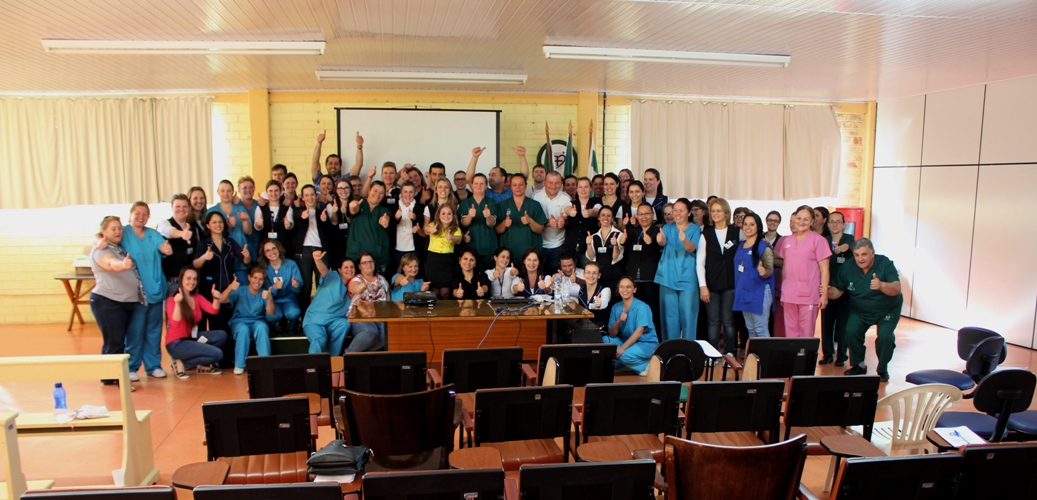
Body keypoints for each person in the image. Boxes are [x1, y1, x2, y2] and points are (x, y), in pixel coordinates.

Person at [826, 238, 902, 382]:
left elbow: (897, 288)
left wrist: (881, 286)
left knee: (885, 337)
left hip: (887, 309)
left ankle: (882, 369)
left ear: (872, 253)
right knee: (851, 332)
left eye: (864, 254)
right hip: (860, 309)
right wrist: (827, 292)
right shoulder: (847, 268)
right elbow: (838, 292)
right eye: (856, 255)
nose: (860, 259)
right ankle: (859, 365)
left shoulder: (884, 263)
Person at [89, 216, 145, 385]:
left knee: (115, 342)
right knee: (115, 343)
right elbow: (110, 263)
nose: (118, 231)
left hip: (123, 303)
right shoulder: (101, 249)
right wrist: (122, 264)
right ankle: (119, 382)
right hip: (108, 302)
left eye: (119, 228)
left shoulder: (117, 248)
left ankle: (108, 377)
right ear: (104, 232)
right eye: (113, 228)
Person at [121, 202, 173, 381]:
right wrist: (99, 241)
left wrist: (166, 248)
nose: (141, 217)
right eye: (137, 213)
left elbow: (164, 247)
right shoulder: (124, 233)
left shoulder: (152, 234)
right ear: (130, 214)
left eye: (145, 214)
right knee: (135, 331)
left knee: (153, 331)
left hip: (156, 291)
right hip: (136, 294)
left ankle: (153, 366)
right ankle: (131, 366)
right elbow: (101, 235)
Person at [776, 205, 832, 338]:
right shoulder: (787, 241)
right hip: (789, 294)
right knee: (790, 333)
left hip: (809, 295)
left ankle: (806, 359)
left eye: (806, 219)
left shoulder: (819, 241)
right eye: (799, 218)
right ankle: (793, 359)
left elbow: (825, 269)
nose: (801, 222)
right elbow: (786, 267)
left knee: (806, 334)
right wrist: (784, 290)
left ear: (812, 221)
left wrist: (824, 294)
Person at [165, 267, 226, 379]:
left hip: (190, 338)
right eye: (188, 278)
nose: (192, 282)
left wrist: (216, 299)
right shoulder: (172, 299)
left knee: (221, 335)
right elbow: (175, 322)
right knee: (217, 354)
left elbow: (213, 310)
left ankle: (202, 366)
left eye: (194, 279)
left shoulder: (197, 297)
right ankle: (181, 364)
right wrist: (178, 304)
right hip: (176, 343)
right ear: (181, 279)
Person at [697, 198, 740, 354]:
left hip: (731, 284)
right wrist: (703, 286)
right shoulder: (706, 234)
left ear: (726, 213)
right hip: (711, 285)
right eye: (713, 211)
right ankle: (712, 353)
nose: (715, 213)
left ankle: (730, 352)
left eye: (718, 210)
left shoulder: (736, 231)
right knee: (713, 321)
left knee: (729, 320)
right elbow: (700, 263)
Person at [654, 199, 701, 341]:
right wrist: (660, 239)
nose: (677, 213)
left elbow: (692, 248)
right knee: (669, 318)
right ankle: (670, 352)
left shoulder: (695, 229)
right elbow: (662, 242)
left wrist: (684, 239)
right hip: (667, 278)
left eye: (681, 210)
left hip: (687, 279)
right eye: (675, 210)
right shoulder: (667, 228)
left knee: (688, 317)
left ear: (688, 212)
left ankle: (688, 351)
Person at [220, 267, 276, 374]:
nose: (257, 282)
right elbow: (222, 300)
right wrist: (230, 287)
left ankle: (265, 363)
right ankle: (239, 365)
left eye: (260, 279)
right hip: (239, 321)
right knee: (243, 330)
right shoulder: (241, 290)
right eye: (255, 278)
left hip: (257, 321)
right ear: (249, 278)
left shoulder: (264, 293)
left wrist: (270, 299)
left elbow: (271, 313)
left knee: (262, 327)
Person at [820, 211, 856, 366]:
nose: (834, 225)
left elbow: (849, 246)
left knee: (843, 327)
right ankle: (827, 354)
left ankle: (841, 356)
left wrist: (841, 248)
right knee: (826, 325)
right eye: (832, 222)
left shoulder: (849, 239)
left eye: (838, 222)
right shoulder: (823, 241)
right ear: (827, 224)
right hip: (826, 290)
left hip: (844, 292)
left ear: (843, 224)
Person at [732, 213, 775, 339]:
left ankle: (765, 359)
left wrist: (764, 271)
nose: (748, 227)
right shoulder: (740, 245)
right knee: (750, 329)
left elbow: (769, 270)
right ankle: (753, 359)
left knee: (761, 329)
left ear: (758, 227)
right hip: (743, 292)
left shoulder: (763, 247)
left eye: (752, 224)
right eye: (745, 224)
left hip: (759, 293)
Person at [622, 204, 663, 335]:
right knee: (633, 311)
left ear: (652, 215)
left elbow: (661, 247)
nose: (644, 217)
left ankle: (653, 340)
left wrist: (652, 243)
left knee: (652, 311)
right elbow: (625, 251)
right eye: (641, 214)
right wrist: (622, 241)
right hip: (633, 278)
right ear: (637, 215)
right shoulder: (632, 231)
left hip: (650, 278)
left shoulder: (657, 231)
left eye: (647, 214)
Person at [605, 277, 659, 376]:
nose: (625, 290)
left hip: (645, 343)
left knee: (621, 355)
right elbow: (612, 334)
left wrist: (622, 348)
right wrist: (618, 321)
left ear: (634, 289)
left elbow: (639, 331)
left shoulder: (642, 307)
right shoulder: (616, 307)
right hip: (626, 340)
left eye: (628, 287)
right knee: (605, 342)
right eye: (622, 287)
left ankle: (646, 366)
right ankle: (630, 363)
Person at [292, 184, 332, 315]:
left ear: (316, 196)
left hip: (321, 252)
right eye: (307, 195)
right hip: (304, 253)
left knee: (322, 285)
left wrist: (325, 221)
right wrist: (301, 215)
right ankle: (304, 316)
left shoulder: (323, 213)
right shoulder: (297, 212)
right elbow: (294, 218)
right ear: (302, 197)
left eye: (312, 194)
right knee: (306, 287)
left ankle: (321, 314)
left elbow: (329, 233)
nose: (310, 197)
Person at [304, 251, 355, 355]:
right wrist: (318, 260)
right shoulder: (333, 277)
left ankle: (333, 361)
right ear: (339, 270)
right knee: (319, 339)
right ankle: (315, 367)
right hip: (315, 321)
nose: (349, 269)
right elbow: (324, 271)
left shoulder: (353, 285)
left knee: (344, 324)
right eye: (346, 267)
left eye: (352, 267)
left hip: (333, 323)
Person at [496, 173, 547, 260]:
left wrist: (530, 221)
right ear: (510, 186)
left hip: (530, 255)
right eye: (514, 185)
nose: (518, 187)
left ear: (525, 186)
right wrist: (505, 223)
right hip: (509, 254)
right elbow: (497, 230)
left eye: (521, 184)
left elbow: (540, 230)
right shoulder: (503, 205)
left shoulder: (534, 205)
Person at [347, 251, 391, 352]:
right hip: (360, 317)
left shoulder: (382, 280)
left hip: (380, 317)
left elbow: (388, 298)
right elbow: (354, 288)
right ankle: (348, 355)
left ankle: (364, 356)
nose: (368, 264)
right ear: (359, 266)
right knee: (370, 332)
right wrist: (359, 288)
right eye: (364, 262)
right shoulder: (356, 279)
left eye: (371, 261)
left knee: (388, 334)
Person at [157, 194, 200, 293]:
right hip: (171, 282)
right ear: (172, 207)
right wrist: (182, 234)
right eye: (177, 206)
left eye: (184, 206)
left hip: (191, 283)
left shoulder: (194, 229)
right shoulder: (164, 223)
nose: (181, 209)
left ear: (189, 208)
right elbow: (169, 231)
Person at [346, 180, 392, 273]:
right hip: (355, 254)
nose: (377, 194)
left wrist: (384, 221)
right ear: (369, 191)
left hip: (376, 256)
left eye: (381, 193)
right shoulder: (360, 204)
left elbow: (385, 218)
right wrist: (353, 206)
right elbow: (353, 209)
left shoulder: (384, 210)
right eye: (375, 191)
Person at [458, 172, 499, 271]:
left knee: (487, 278)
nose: (478, 186)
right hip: (470, 248)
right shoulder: (465, 203)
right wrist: (470, 215)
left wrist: (488, 216)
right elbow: (464, 223)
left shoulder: (492, 203)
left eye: (481, 184)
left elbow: (491, 224)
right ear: (471, 185)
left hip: (488, 248)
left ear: (486, 186)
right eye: (476, 183)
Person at [533, 171, 572, 274]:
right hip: (539, 244)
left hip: (558, 244)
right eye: (550, 182)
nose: (554, 186)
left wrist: (563, 221)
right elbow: (532, 221)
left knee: (556, 277)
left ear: (561, 184)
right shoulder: (535, 196)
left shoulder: (566, 198)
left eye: (557, 183)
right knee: (539, 277)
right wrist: (547, 223)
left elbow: (568, 220)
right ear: (544, 182)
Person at [260, 240, 302, 332]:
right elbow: (263, 292)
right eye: (268, 250)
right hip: (272, 301)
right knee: (272, 316)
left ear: (278, 249)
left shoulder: (291, 264)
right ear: (264, 254)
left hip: (289, 299)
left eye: (274, 248)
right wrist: (274, 288)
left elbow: (298, 288)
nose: (272, 252)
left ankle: (292, 329)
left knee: (294, 313)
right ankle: (271, 330)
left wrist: (295, 285)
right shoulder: (263, 269)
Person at [424, 203, 463, 298]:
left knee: (445, 292)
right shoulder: (433, 225)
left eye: (449, 213)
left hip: (447, 262)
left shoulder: (455, 229)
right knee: (434, 292)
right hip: (432, 260)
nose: (446, 216)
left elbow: (459, 239)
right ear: (439, 215)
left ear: (453, 216)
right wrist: (430, 229)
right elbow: (425, 229)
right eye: (443, 213)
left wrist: (451, 237)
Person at [207, 179, 252, 255]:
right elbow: (208, 233)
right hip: (220, 253)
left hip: (241, 250)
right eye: (222, 191)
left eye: (228, 191)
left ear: (233, 192)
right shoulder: (212, 211)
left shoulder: (240, 209)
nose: (226, 193)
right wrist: (227, 226)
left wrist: (245, 221)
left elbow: (249, 232)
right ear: (218, 192)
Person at [585, 206, 624, 293]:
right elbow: (592, 257)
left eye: (608, 215)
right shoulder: (593, 236)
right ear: (598, 217)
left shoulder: (619, 235)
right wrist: (588, 244)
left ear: (612, 218)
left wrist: (615, 246)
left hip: (614, 276)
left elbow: (615, 259)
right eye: (603, 215)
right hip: (598, 277)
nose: (605, 218)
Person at [254, 180, 296, 260]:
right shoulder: (259, 208)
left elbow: (290, 225)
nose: (273, 194)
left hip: (283, 246)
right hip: (265, 248)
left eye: (276, 190)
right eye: (270, 191)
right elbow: (257, 227)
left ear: (280, 192)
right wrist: (259, 224)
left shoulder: (288, 208)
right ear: (266, 193)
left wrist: (288, 224)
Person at [564, 177, 602, 265]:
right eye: (580, 187)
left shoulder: (597, 203)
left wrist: (589, 212)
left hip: (588, 250)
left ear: (591, 188)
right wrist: (570, 211)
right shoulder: (571, 203)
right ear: (577, 189)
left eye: (586, 187)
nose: (583, 190)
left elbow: (596, 211)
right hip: (571, 248)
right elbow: (566, 209)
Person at [391, 181, 426, 275]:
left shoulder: (420, 207)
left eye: (411, 192)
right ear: (401, 193)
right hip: (398, 249)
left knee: (416, 276)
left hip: (415, 249)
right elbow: (389, 227)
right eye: (405, 191)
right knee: (398, 276)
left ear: (414, 193)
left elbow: (424, 226)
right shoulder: (394, 207)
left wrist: (415, 218)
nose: (408, 194)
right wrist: (396, 218)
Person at [325, 178, 352, 266]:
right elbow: (334, 222)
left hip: (352, 243)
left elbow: (354, 222)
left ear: (350, 189)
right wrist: (334, 211)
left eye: (346, 188)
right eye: (340, 188)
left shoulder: (355, 204)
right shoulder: (331, 205)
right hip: (336, 245)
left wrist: (346, 214)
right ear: (336, 190)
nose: (343, 191)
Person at [579, 262, 612, 327]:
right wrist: (553, 285)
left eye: (594, 273)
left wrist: (600, 304)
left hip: (598, 329)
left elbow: (604, 301)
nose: (591, 275)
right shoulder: (580, 289)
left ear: (599, 275)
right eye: (588, 272)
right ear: (584, 274)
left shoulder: (605, 290)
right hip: (582, 328)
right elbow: (566, 292)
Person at [237, 176, 261, 258]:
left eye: (251, 187)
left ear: (254, 189)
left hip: (258, 247)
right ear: (239, 190)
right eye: (244, 187)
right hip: (240, 248)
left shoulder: (260, 205)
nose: (248, 190)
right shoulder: (235, 207)